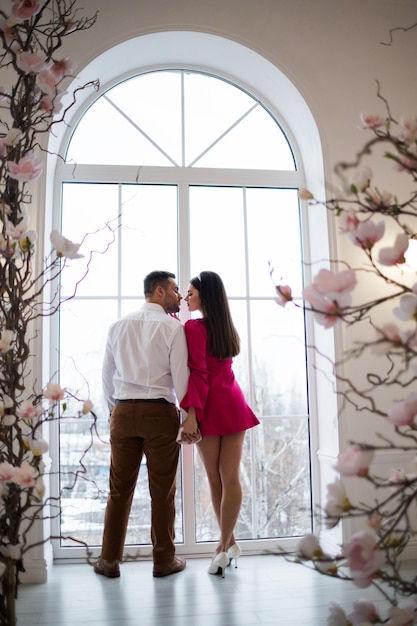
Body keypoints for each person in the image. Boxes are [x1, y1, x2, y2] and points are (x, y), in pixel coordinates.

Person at [95, 270, 199, 579]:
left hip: (123, 413)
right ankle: (163, 560)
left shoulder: (117, 326)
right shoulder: (172, 328)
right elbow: (181, 378)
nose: (179, 296)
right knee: (162, 491)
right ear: (157, 291)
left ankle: (109, 561)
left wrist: (118, 411)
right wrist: (188, 413)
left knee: (118, 491)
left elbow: (106, 377)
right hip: (158, 414)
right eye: (174, 290)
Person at [180, 271, 260, 578]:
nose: (186, 298)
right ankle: (230, 543)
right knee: (230, 478)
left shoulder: (194, 327)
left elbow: (198, 373)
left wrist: (192, 413)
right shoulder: (227, 326)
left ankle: (221, 548)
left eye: (190, 293)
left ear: (204, 296)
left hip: (212, 405)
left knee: (216, 480)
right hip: (233, 402)